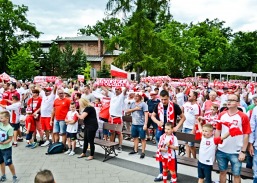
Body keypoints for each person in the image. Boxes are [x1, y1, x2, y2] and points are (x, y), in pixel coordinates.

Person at [215, 94, 251, 183]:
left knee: (236, 175)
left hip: (236, 151)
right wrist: (215, 145)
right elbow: (218, 130)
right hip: (222, 150)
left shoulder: (243, 116)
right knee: (222, 172)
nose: (229, 102)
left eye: (232, 100)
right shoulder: (222, 114)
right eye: (228, 100)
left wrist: (243, 151)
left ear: (238, 103)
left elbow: (246, 134)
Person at [151, 90, 186, 182]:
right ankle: (162, 173)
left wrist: (177, 127)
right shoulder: (158, 105)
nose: (163, 101)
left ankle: (174, 174)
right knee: (161, 153)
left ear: (168, 97)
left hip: (171, 133)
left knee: (172, 154)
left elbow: (183, 117)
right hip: (160, 132)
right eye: (162, 99)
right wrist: (158, 122)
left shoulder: (174, 106)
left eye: (165, 99)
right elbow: (152, 116)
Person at [126, 93, 148, 159]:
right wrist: (135, 109)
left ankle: (143, 152)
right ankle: (135, 150)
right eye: (135, 96)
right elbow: (127, 111)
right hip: (134, 124)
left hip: (141, 124)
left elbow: (146, 114)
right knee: (135, 137)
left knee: (143, 138)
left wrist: (145, 124)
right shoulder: (132, 104)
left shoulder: (143, 104)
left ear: (140, 97)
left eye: (137, 96)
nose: (135, 97)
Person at [0, 111, 18, 182]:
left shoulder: (9, 128)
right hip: (0, 148)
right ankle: (3, 175)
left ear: (7, 118)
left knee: (9, 163)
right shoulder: (0, 124)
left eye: (1, 118)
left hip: (6, 148)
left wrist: (3, 143)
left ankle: (14, 176)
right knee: (1, 162)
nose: (0, 119)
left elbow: (10, 139)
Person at [182, 91, 201, 158]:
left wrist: (194, 129)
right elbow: (182, 111)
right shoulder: (186, 103)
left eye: (190, 96)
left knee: (191, 145)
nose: (188, 96)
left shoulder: (196, 106)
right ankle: (188, 158)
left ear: (194, 97)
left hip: (191, 128)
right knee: (186, 143)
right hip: (185, 126)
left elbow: (197, 119)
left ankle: (194, 158)